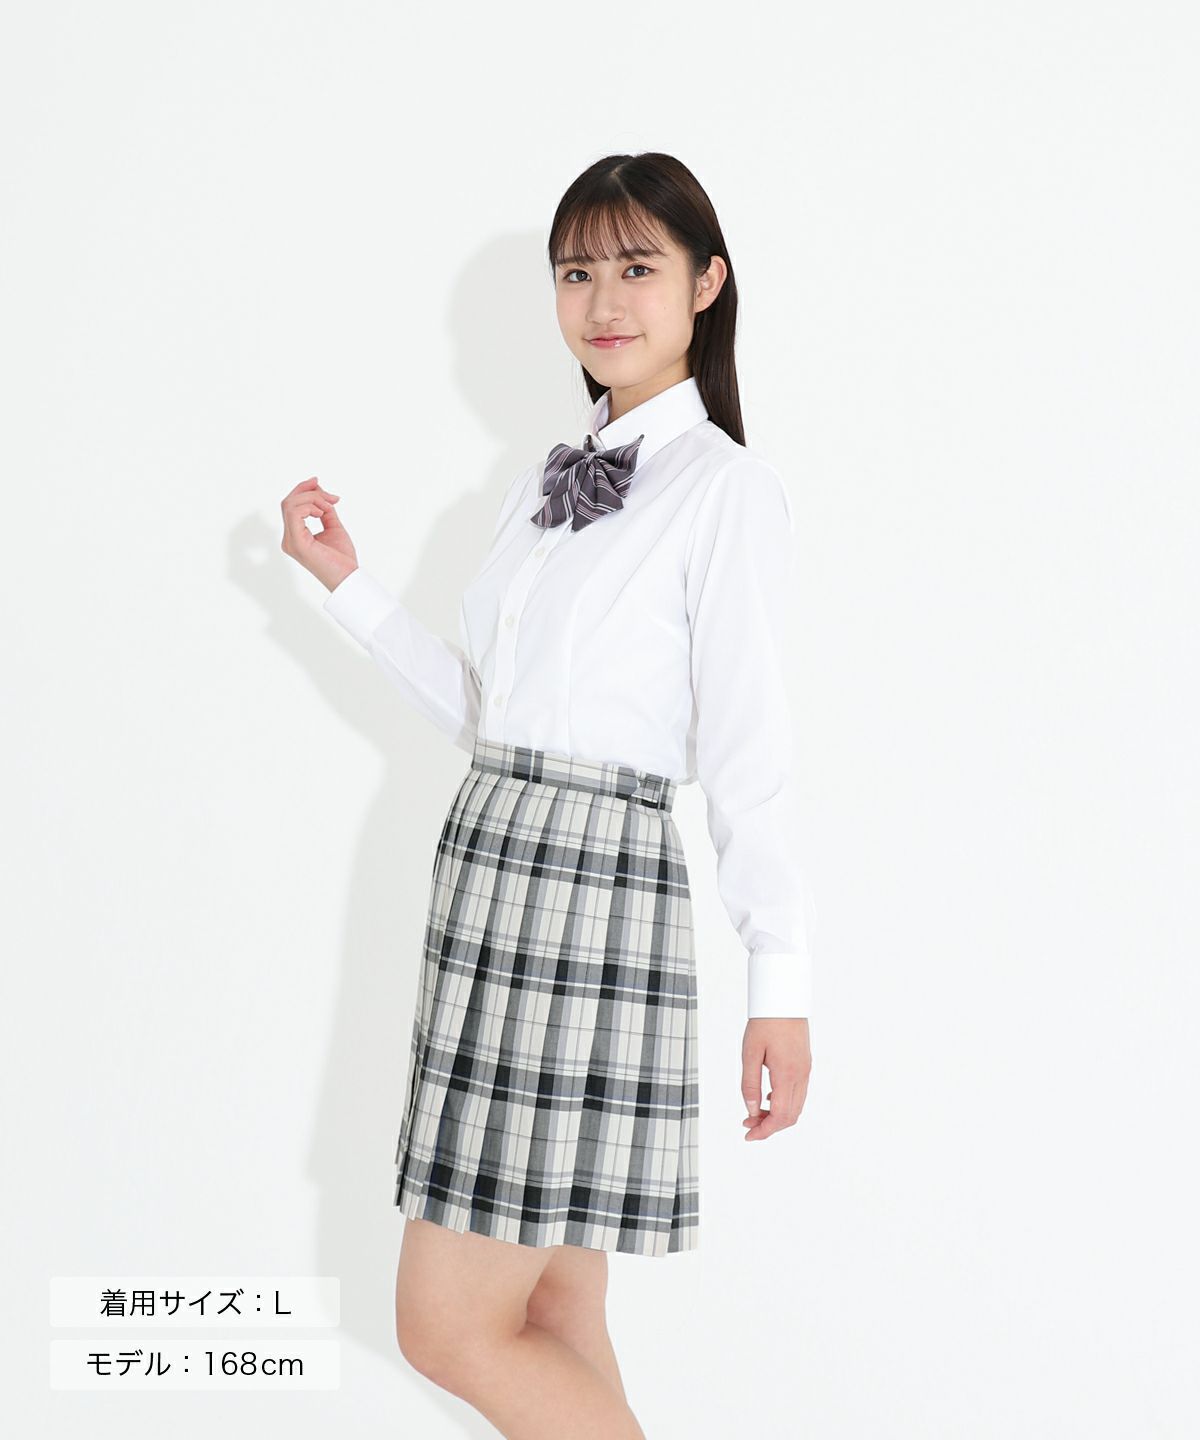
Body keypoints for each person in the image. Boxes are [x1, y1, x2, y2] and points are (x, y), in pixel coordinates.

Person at [280, 151, 813, 1440]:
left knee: (446, 1323)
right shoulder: (545, 484)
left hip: (590, 888)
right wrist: (348, 587)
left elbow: (752, 748)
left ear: (707, 284)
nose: (603, 301)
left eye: (637, 266)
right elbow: (492, 713)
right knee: (556, 1311)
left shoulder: (725, 490)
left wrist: (780, 979)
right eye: (576, 273)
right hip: (493, 860)